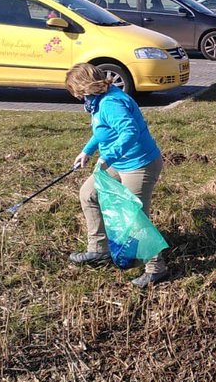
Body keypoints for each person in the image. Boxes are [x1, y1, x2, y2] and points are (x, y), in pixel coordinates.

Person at [65, 63, 168, 288]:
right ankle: (99, 249)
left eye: (76, 91)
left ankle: (156, 268)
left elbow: (129, 131)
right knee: (89, 194)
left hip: (139, 165)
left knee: (134, 217)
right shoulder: (99, 100)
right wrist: (87, 151)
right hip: (119, 162)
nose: (76, 96)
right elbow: (103, 130)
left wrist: (107, 157)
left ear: (85, 86)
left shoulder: (111, 103)